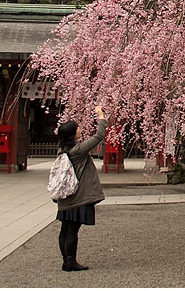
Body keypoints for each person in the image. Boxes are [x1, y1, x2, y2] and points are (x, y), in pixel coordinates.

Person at [55, 105, 108, 271]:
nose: (79, 130)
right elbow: (99, 136)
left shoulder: (62, 150)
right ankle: (70, 262)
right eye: (77, 129)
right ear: (72, 134)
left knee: (65, 228)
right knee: (72, 230)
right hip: (77, 197)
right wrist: (100, 116)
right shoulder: (78, 150)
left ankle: (66, 260)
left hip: (66, 196)